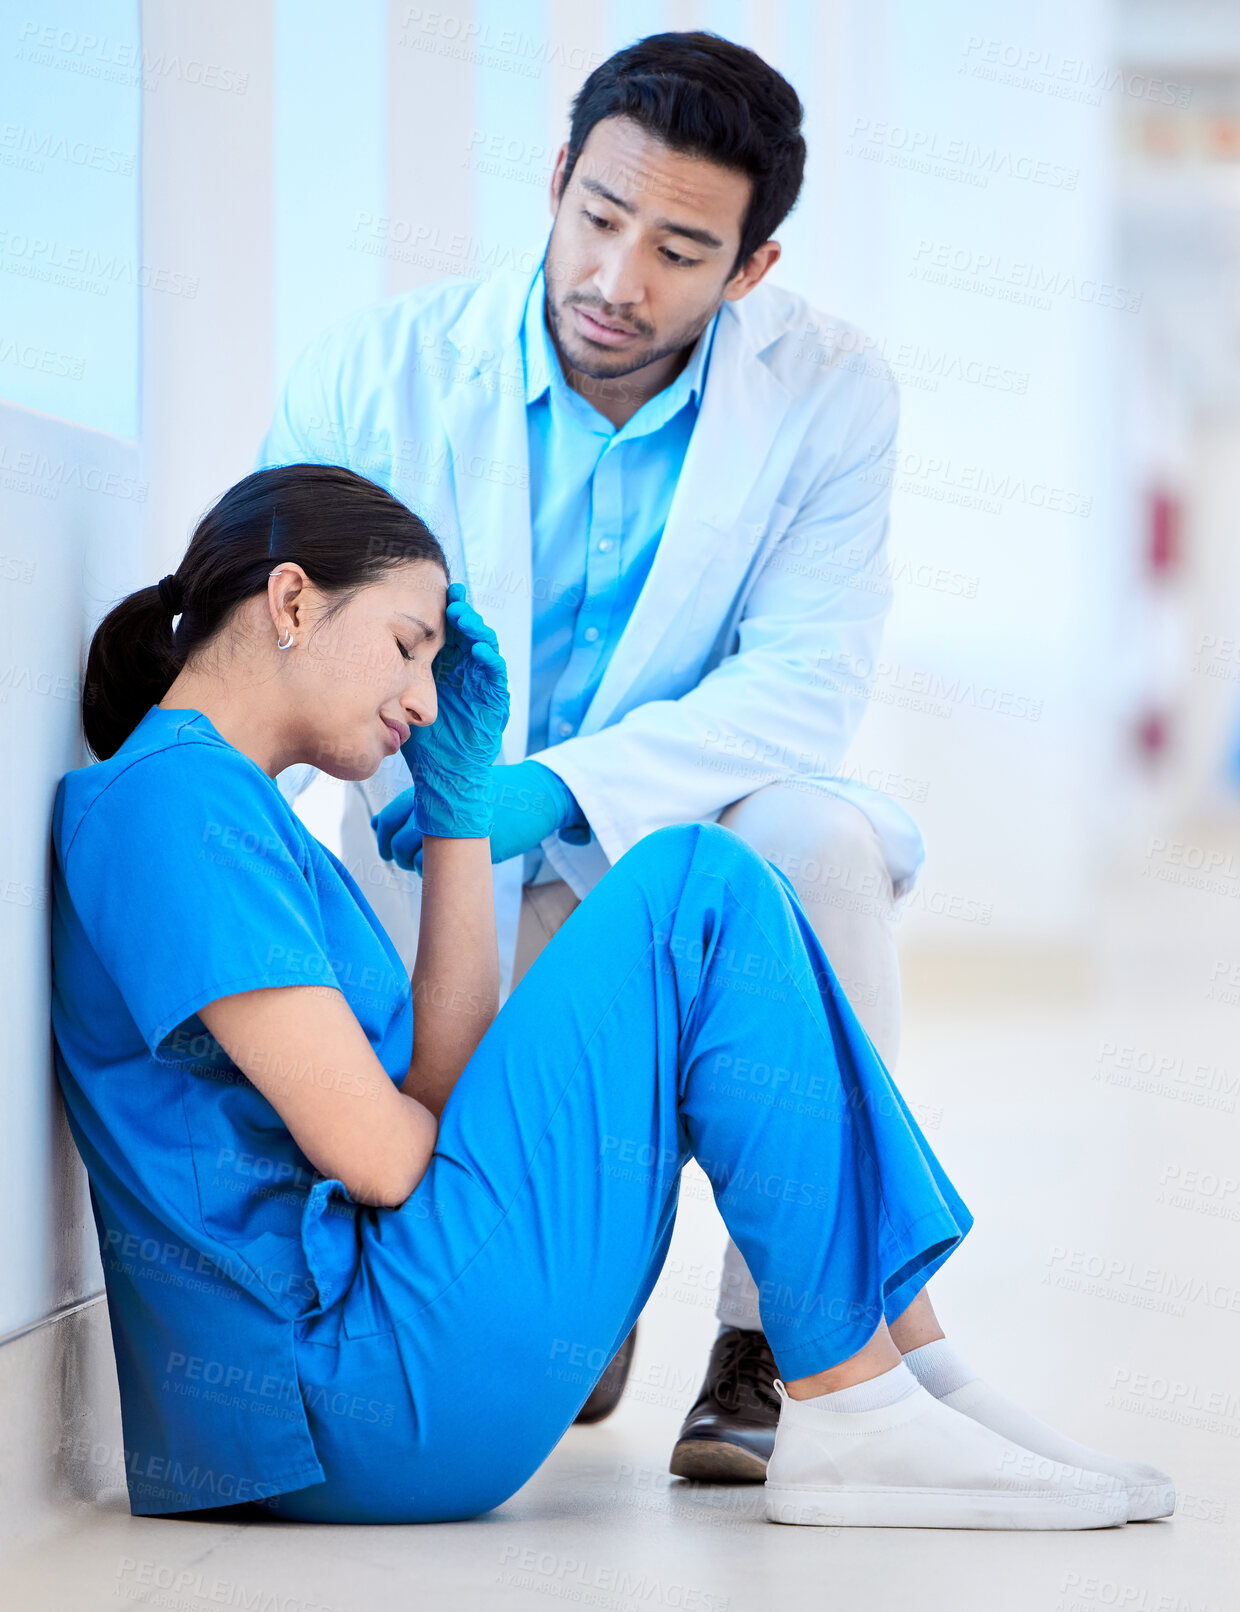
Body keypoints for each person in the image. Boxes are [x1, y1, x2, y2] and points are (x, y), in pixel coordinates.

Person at [50, 465, 1172, 1529]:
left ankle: (905, 1374)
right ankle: (856, 1398)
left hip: (383, 1369)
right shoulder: (166, 803)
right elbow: (389, 1160)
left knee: (716, 884)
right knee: (697, 881)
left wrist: (457, 817)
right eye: (406, 645)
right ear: (290, 600)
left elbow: (437, 1095)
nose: (424, 700)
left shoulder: (240, 817)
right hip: (341, 1392)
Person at [256, 29, 926, 1464]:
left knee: (819, 840)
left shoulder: (831, 395)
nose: (619, 282)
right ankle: (578, 1287)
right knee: (483, 1206)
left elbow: (805, 684)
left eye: (682, 251)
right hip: (418, 857)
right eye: (601, 219)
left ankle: (777, 1337)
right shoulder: (379, 377)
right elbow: (270, 643)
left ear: (752, 271)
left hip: (665, 837)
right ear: (557, 178)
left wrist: (558, 788)